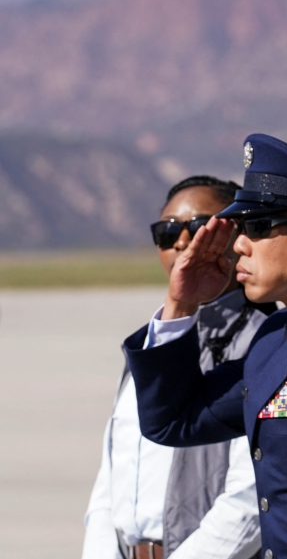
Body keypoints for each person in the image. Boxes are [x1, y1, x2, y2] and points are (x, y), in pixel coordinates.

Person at [123, 135, 287, 559]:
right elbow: (174, 421)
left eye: (259, 227)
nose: (238, 246)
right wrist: (182, 304)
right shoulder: (274, 337)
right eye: (240, 229)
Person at [83, 175, 271, 559]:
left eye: (201, 227)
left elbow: (249, 498)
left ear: (240, 237)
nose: (183, 242)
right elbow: (112, 477)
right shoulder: (152, 342)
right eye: (167, 232)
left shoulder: (264, 343)